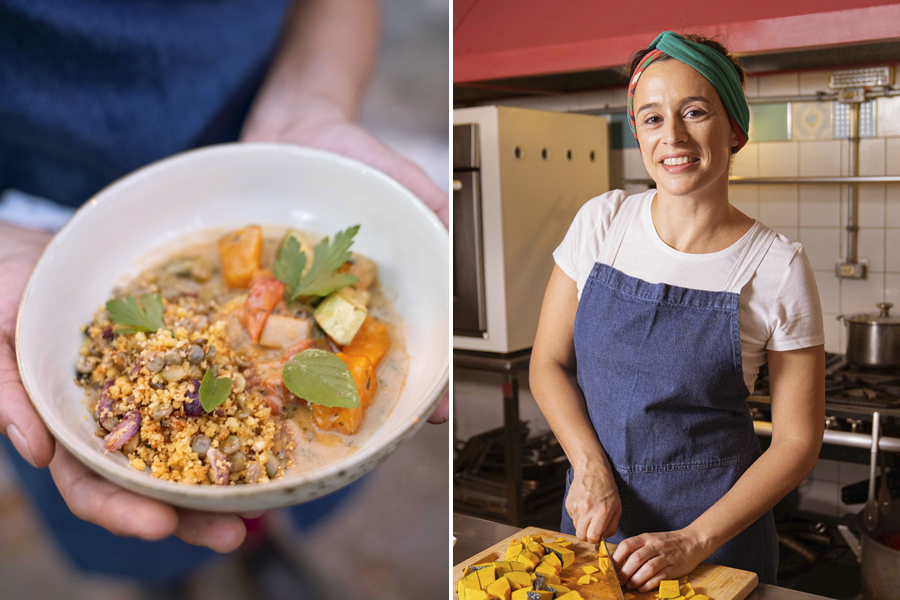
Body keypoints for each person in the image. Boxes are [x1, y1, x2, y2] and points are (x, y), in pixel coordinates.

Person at [0, 0, 447, 585]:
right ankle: (170, 580)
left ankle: (261, 545)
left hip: (261, 141)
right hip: (28, 232)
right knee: (144, 526)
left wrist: (308, 104)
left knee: (271, 490)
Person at [529, 31, 825, 589]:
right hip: (596, 521)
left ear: (734, 128)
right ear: (638, 132)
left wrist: (695, 540)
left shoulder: (777, 266)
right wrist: (589, 468)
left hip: (716, 542)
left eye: (695, 112)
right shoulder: (602, 223)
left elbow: (797, 441)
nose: (673, 136)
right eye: (652, 118)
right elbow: (548, 363)